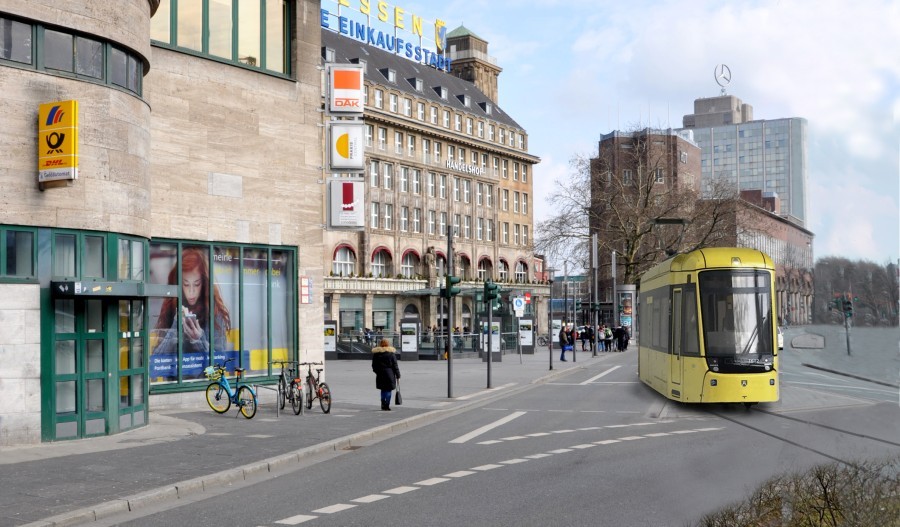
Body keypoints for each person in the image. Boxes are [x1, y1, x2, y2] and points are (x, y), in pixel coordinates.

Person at [153, 247, 232, 378]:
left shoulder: (214, 312)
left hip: (204, 386)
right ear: (179, 283)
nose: (191, 292)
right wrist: (175, 328)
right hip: (175, 385)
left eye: (196, 284)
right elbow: (156, 363)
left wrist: (199, 339)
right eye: (186, 284)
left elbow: (219, 366)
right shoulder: (171, 307)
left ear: (204, 283)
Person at [371, 338, 401, 411]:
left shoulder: (376, 354)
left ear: (380, 344)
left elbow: (373, 366)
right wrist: (398, 375)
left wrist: (377, 372)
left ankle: (382, 403)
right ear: (388, 344)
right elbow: (395, 365)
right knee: (388, 390)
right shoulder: (391, 354)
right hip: (389, 374)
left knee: (383, 389)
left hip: (380, 374)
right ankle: (387, 405)